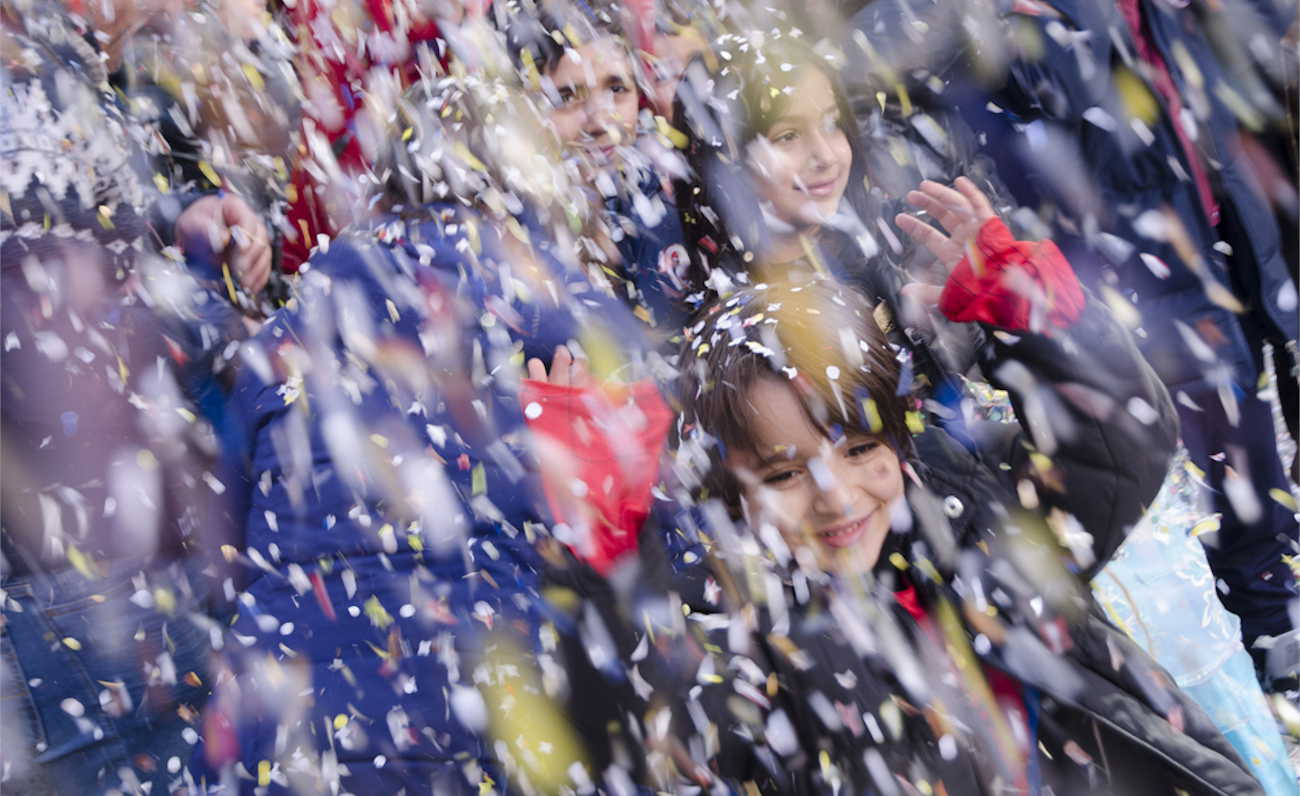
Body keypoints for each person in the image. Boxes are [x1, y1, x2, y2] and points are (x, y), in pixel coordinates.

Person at [666, 28, 1294, 789]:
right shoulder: (704, 340)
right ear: (724, 157)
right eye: (786, 136)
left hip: (998, 559)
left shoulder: (883, 248)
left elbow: (1100, 452)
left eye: (831, 123)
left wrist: (1038, 326)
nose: (825, 154)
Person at [844, 0, 1300, 677]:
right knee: (1201, 506)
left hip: (1221, 252)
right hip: (1110, 299)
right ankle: (1266, 661)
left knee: (1253, 486)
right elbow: (873, 70)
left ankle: (1274, 646)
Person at [0, 0, 269, 791]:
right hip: (50, 606)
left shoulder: (58, 72)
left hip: (148, 578)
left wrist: (182, 224)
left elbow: (95, 247)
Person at [507, 1, 690, 338]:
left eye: (616, 89)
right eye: (566, 97)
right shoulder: (504, 214)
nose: (600, 120)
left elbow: (673, 343)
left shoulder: (665, 202)